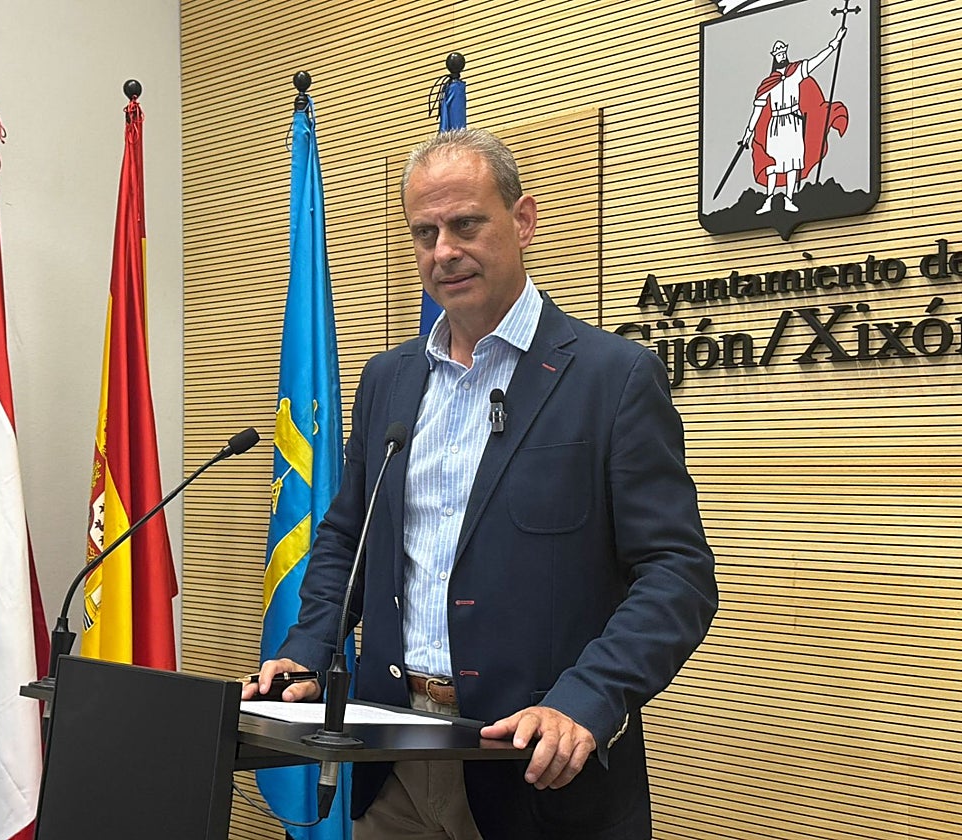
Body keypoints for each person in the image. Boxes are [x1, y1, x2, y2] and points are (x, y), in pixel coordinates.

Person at [244, 128, 718, 839]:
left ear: (522, 221)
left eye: (465, 223)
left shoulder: (612, 378)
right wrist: (308, 649)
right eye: (424, 232)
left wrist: (587, 700)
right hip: (392, 759)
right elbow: (348, 537)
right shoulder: (389, 380)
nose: (443, 251)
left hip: (530, 773)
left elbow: (677, 575)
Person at [741, 30, 847, 214]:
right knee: (772, 163)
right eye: (778, 52)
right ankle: (769, 199)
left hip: (793, 122)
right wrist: (748, 133)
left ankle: (789, 199)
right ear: (774, 56)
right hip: (776, 124)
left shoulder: (795, 72)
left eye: (783, 51)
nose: (781, 54)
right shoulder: (768, 84)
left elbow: (816, 61)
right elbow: (757, 110)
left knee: (792, 163)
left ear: (786, 52)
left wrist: (834, 43)